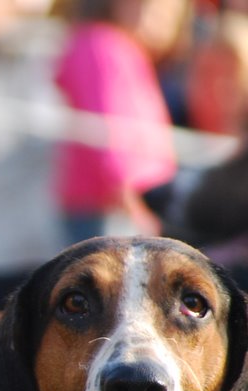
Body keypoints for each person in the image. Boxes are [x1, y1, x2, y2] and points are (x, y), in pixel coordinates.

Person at [53, 0, 189, 241]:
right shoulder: (101, 44)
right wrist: (127, 194)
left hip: (133, 201)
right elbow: (104, 127)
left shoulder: (125, 50)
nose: (162, 19)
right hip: (107, 205)